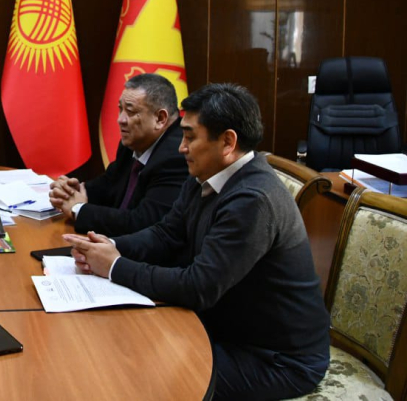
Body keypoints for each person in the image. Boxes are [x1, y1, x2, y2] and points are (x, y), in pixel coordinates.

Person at [65, 83, 329, 400]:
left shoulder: (253, 201)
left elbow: (198, 287)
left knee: (141, 372)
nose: (181, 147)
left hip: (275, 360)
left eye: (190, 136)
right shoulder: (205, 174)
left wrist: (115, 267)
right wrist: (111, 246)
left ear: (228, 142)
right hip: (226, 329)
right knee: (122, 344)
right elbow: (166, 234)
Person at [49, 73, 188, 236]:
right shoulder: (133, 142)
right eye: (120, 109)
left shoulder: (177, 156)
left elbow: (143, 223)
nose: (120, 120)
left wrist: (79, 209)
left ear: (160, 118)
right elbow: (109, 184)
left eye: (130, 111)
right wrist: (75, 190)